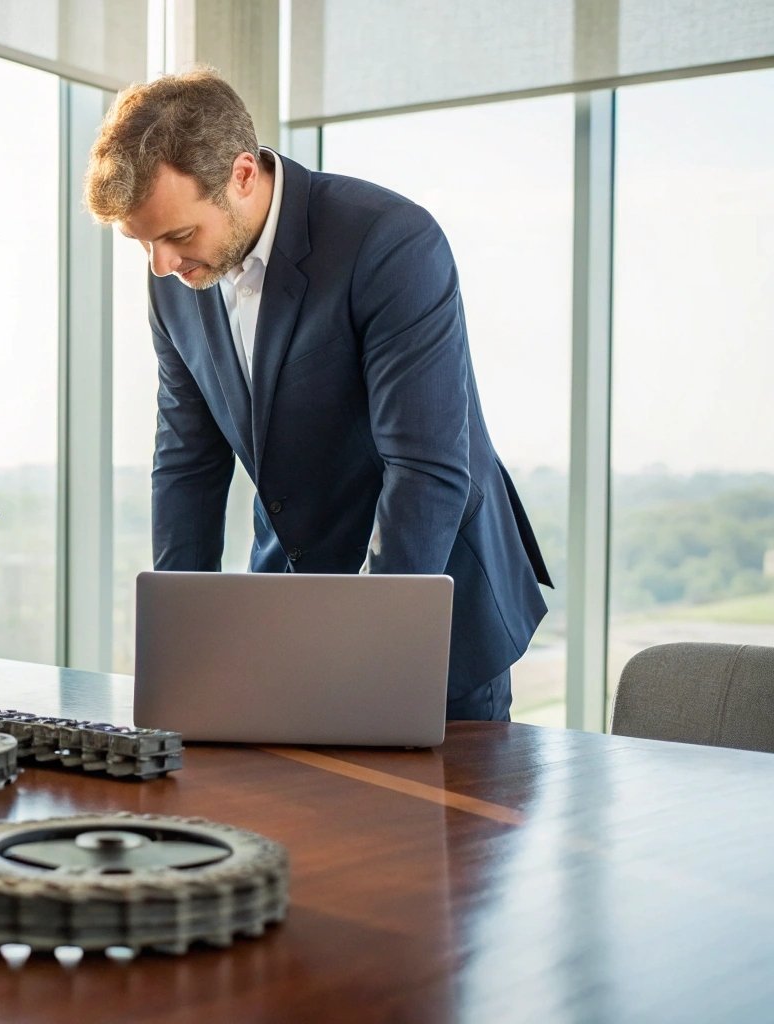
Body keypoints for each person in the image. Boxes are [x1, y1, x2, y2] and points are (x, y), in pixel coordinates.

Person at [83, 70, 550, 721]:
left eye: (179, 236)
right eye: (143, 242)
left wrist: (362, 652)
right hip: (288, 612)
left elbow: (425, 470)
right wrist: (182, 649)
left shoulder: (390, 242)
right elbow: (188, 462)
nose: (161, 265)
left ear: (243, 174)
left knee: (430, 824)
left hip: (433, 604)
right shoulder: (173, 279)